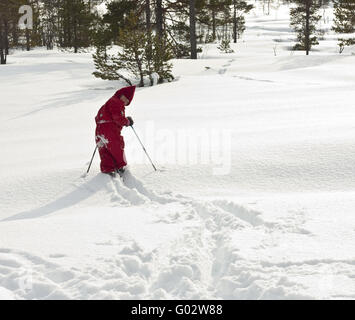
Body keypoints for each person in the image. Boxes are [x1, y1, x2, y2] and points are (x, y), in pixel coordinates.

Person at [95, 86, 136, 176]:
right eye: (126, 100)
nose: (125, 103)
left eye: (127, 103)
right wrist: (127, 121)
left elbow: (97, 117)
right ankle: (121, 167)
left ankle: (108, 169)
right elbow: (118, 119)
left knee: (105, 149)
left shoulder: (108, 103)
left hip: (99, 130)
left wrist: (101, 127)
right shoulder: (116, 102)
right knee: (116, 147)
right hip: (110, 130)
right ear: (122, 95)